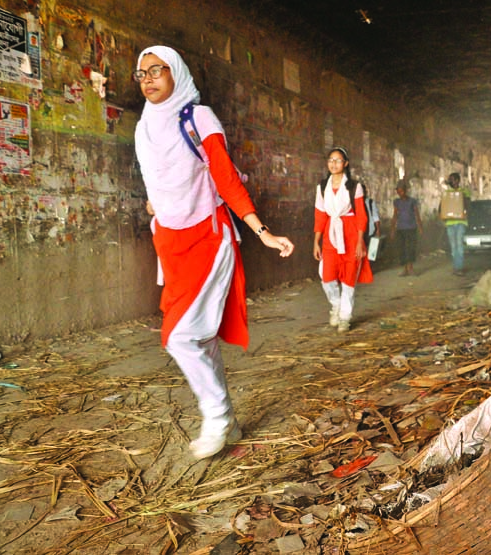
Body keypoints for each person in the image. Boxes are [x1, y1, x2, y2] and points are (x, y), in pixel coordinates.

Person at [133, 46, 295, 460]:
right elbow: (159, 186)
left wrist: (261, 231)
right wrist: (158, 205)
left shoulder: (198, 117)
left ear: (177, 73)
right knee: (197, 338)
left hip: (208, 236)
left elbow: (223, 176)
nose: (149, 78)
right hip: (170, 241)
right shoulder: (143, 128)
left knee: (180, 336)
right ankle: (231, 423)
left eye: (157, 70)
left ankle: (218, 415)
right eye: (141, 73)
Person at [313, 147, 373, 332]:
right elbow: (320, 215)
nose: (334, 163)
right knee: (326, 276)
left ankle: (345, 317)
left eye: (338, 160)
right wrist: (316, 241)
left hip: (351, 234)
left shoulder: (354, 187)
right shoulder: (322, 187)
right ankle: (336, 305)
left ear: (345, 164)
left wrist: (359, 242)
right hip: (331, 235)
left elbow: (362, 216)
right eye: (331, 160)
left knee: (349, 278)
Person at [391, 179, 422, 276]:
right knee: (402, 249)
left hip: (411, 228)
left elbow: (417, 214)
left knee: (410, 248)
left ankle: (410, 268)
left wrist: (420, 226)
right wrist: (392, 229)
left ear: (405, 190)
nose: (400, 193)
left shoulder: (412, 201)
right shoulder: (396, 202)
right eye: (398, 192)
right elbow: (395, 215)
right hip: (400, 229)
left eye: (401, 191)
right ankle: (404, 269)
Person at [441, 172, 470, 275]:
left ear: (457, 180)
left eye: (452, 179)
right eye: (450, 180)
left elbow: (467, 204)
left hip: (461, 222)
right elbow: (442, 206)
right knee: (453, 247)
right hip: (450, 223)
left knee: (459, 245)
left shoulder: (464, 191)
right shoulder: (447, 192)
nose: (450, 181)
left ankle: (459, 268)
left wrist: (459, 195)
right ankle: (456, 267)